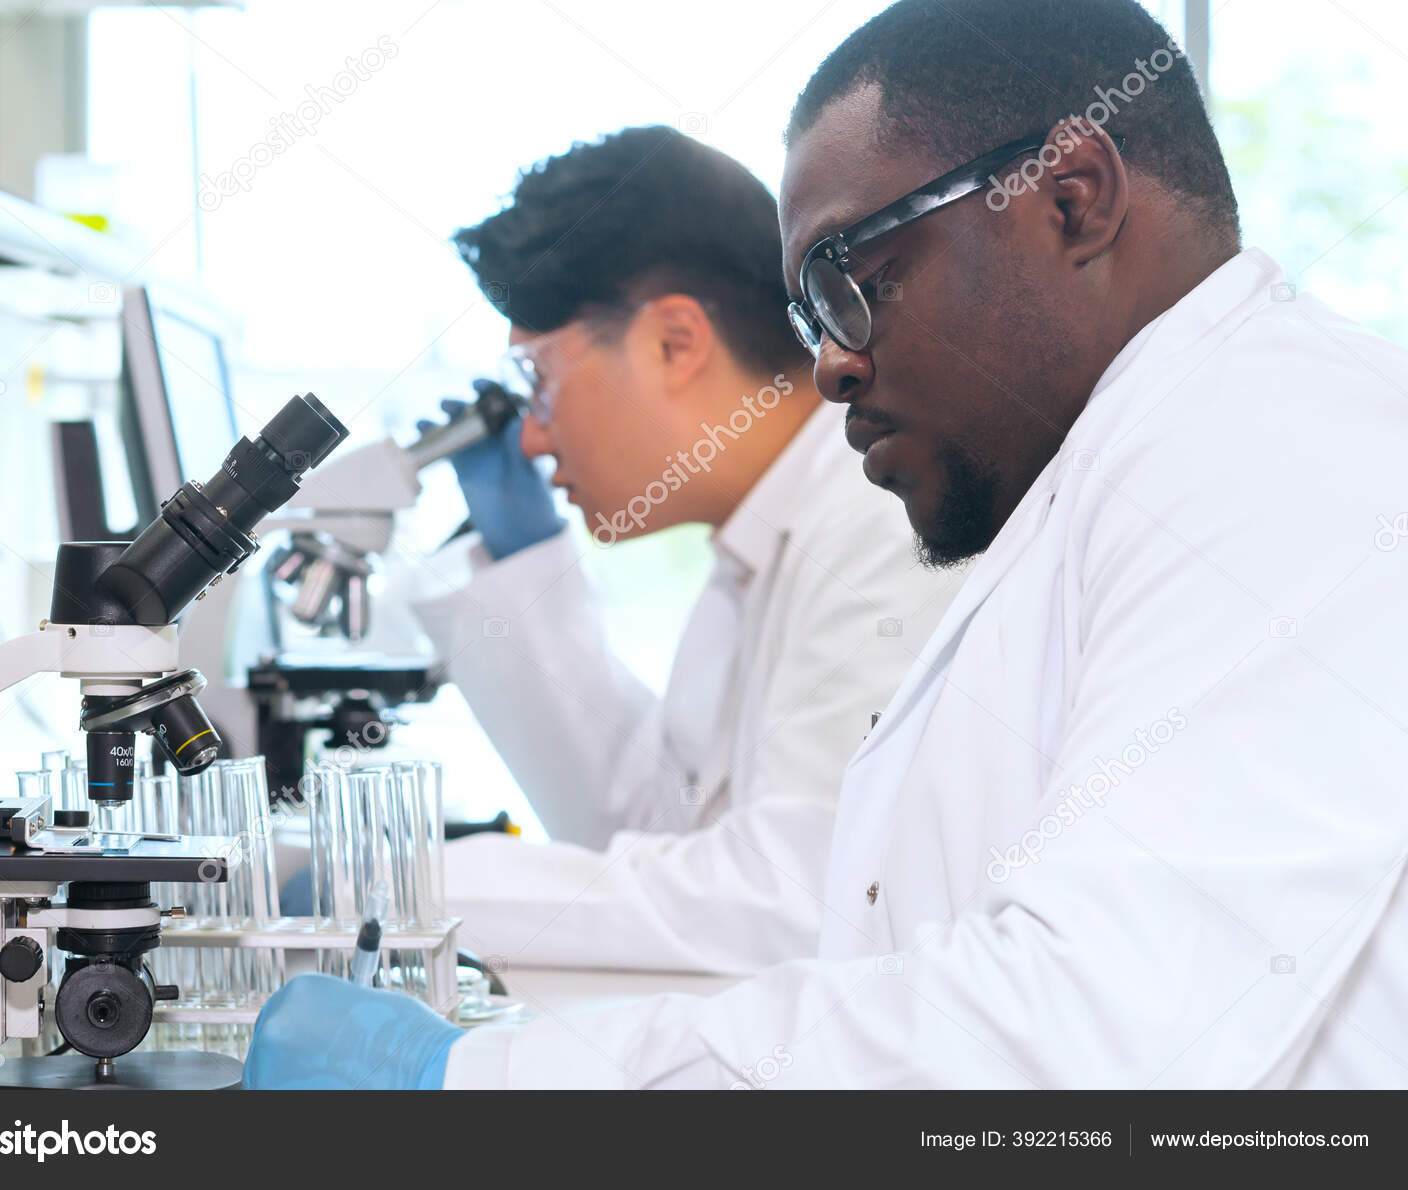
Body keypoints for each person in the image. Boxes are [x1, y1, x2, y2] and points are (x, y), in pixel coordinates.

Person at [245, 0, 1408, 1089]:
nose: (829, 365)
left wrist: (471, 1076)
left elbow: (1094, 1021)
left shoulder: (1279, 435)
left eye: (854, 279)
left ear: (1071, 199)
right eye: (809, 312)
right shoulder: (1091, 483)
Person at [397, 125, 960, 974]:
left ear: (676, 343)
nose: (533, 438)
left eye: (539, 381)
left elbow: (789, 900)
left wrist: (406, 888)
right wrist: (524, 564)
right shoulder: (757, 543)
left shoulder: (875, 527)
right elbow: (645, 828)